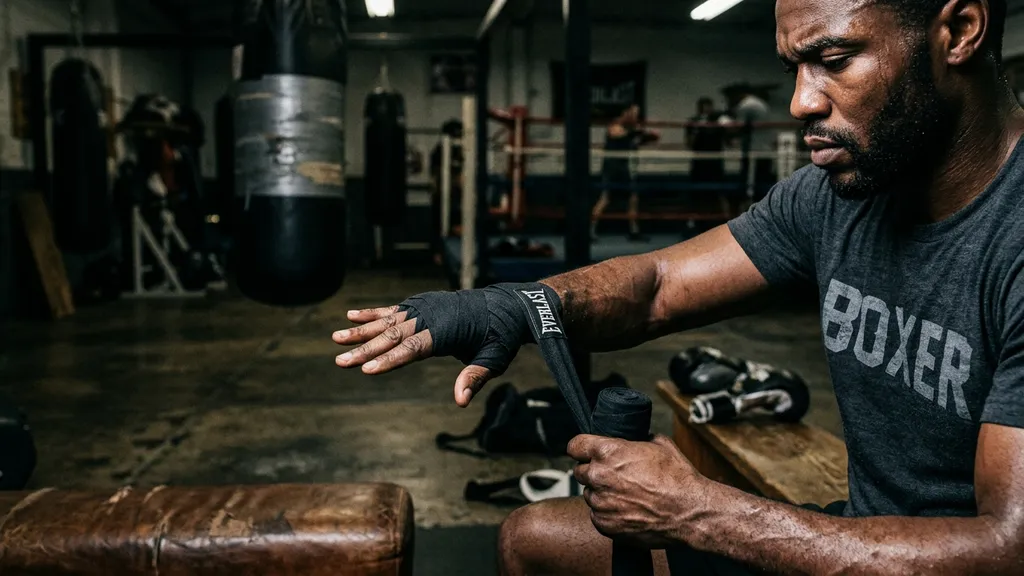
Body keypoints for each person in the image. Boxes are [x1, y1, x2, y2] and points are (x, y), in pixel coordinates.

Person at [333, 0, 1024, 574]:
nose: (800, 102)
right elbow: (659, 284)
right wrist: (517, 303)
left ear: (959, 30)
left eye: (834, 61)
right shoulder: (835, 198)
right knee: (535, 542)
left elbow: (1006, 547)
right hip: (860, 536)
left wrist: (703, 511)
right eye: (794, 67)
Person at [591, 104, 660, 242]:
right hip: (612, 168)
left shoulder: (631, 130)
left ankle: (634, 231)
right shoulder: (615, 126)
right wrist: (641, 133)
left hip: (625, 167)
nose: (635, 116)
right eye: (633, 113)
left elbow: (635, 142)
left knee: (633, 198)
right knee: (605, 198)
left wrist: (649, 137)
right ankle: (589, 231)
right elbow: (621, 135)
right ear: (626, 113)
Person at [686, 97, 730, 183]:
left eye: (707, 107)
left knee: (716, 180)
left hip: (715, 155)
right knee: (698, 181)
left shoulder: (719, 121)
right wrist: (696, 129)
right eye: (702, 108)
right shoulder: (693, 121)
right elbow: (689, 143)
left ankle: (718, 195)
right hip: (699, 156)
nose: (705, 110)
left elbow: (728, 139)